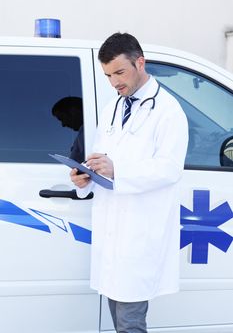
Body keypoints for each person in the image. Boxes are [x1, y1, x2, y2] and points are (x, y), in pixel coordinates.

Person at [70, 33, 189, 332]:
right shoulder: (113, 107)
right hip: (113, 236)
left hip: (138, 234)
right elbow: (103, 160)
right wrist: (86, 176)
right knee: (120, 317)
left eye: (119, 72)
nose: (114, 82)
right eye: (108, 75)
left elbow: (168, 169)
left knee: (130, 323)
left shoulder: (168, 110)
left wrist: (116, 170)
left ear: (140, 62)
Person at [52, 96, 84, 162]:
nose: (63, 125)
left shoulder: (90, 133)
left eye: (62, 118)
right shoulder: (83, 133)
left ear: (74, 111)